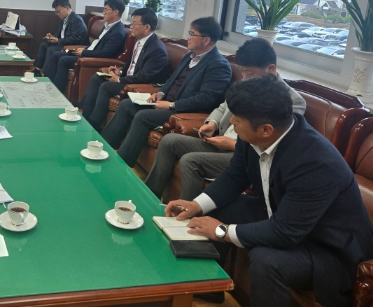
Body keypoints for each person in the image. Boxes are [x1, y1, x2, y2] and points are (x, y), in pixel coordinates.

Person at [165, 75, 373, 307]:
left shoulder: (315, 163)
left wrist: (221, 231)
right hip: (284, 215)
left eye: (237, 119)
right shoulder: (254, 136)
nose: (231, 122)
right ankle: (208, 285)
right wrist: (196, 205)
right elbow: (234, 176)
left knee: (266, 260)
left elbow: (285, 231)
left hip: (326, 247)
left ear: (266, 129)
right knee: (219, 207)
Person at [145, 38, 306, 201]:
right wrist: (212, 123)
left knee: (190, 161)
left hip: (245, 156)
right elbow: (223, 107)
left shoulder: (292, 101)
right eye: (242, 72)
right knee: (170, 141)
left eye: (250, 73)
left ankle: (186, 211)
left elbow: (276, 144)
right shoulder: (246, 86)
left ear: (270, 69)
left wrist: (233, 144)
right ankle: (149, 197)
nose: (245, 78)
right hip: (219, 142)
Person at [102, 17, 232, 167]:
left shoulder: (218, 65)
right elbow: (171, 80)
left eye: (192, 34)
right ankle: (105, 146)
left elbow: (206, 99)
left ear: (206, 40)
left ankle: (122, 163)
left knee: (143, 116)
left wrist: (171, 105)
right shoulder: (189, 56)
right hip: (166, 102)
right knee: (127, 104)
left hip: (183, 111)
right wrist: (160, 94)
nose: (188, 38)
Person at [80, 8, 169, 131]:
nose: (131, 27)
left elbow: (145, 77)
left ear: (146, 27)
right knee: (96, 78)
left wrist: (119, 80)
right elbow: (133, 65)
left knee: (106, 86)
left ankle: (94, 125)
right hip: (129, 79)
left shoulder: (157, 49)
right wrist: (120, 72)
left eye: (134, 24)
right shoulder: (139, 40)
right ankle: (85, 117)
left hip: (138, 85)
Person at [43, 0, 127, 92]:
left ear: (115, 12)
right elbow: (96, 44)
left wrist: (84, 52)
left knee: (63, 60)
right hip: (88, 51)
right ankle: (47, 84)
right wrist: (82, 49)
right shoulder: (108, 26)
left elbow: (105, 53)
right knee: (56, 54)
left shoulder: (117, 32)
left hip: (93, 58)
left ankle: (56, 91)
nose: (103, 12)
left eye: (106, 10)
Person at [33, 0, 88, 77]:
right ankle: (37, 70)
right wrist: (52, 37)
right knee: (44, 45)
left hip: (74, 47)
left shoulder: (76, 20)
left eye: (59, 12)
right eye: (56, 12)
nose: (58, 14)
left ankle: (46, 75)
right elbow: (59, 34)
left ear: (67, 8)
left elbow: (75, 39)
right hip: (64, 43)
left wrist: (58, 40)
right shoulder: (63, 19)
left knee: (51, 50)